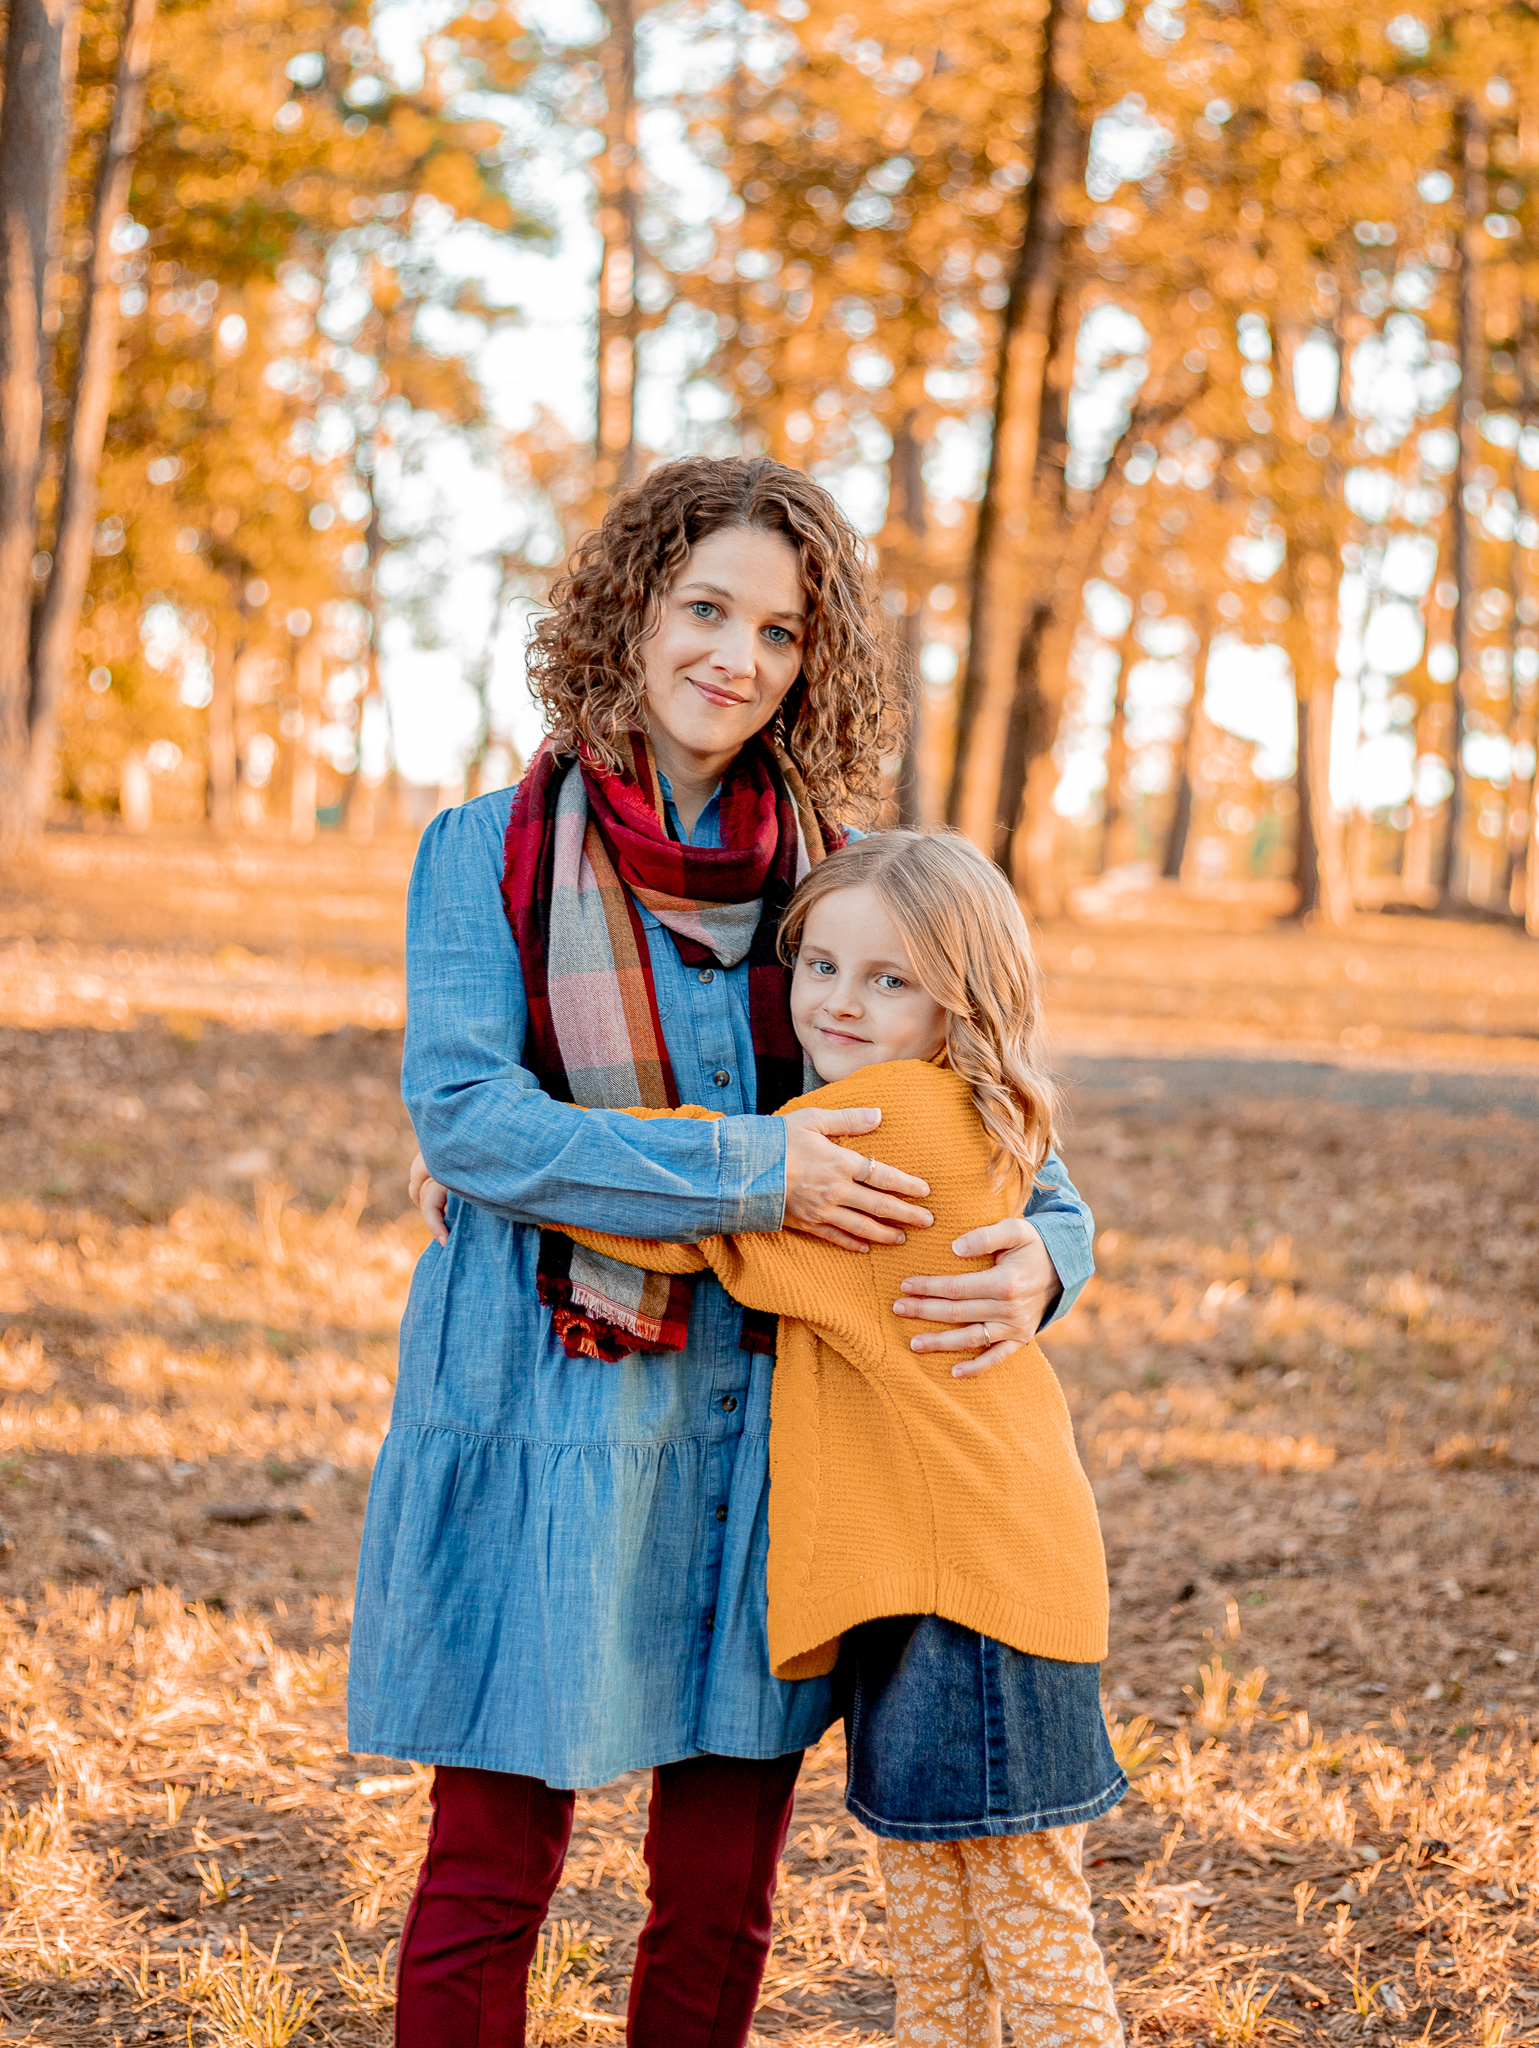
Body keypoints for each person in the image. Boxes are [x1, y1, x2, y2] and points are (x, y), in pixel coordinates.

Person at [361, 454, 1098, 2048]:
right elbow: (468, 1118)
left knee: (716, 1897)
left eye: (776, 632)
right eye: (705, 609)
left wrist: (1052, 1253)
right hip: (546, 1405)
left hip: (768, 1434)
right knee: (489, 1871)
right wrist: (750, 1171)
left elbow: (988, 1116)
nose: (734, 658)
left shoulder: (843, 874)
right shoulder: (483, 851)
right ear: (631, 611)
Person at [516, 830, 1126, 2048]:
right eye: (822, 964)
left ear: (960, 1002)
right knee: (942, 1934)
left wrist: (502, 1162)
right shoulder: (943, 1108)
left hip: (970, 1592)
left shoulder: (894, 1121)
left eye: (890, 978)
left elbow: (692, 1221)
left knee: (1031, 1935)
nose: (840, 1000)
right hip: (938, 1574)